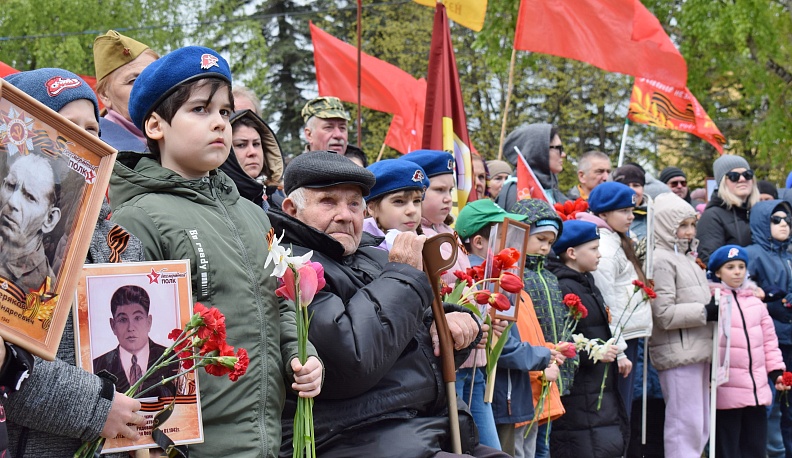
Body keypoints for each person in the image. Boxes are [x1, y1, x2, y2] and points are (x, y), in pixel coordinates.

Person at [109, 46, 323, 457]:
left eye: (225, 112)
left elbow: (280, 304)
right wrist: (144, 445)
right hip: (190, 446)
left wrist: (305, 357)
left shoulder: (254, 214)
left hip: (265, 440)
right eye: (200, 110)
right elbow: (131, 342)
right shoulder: (138, 218)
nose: (219, 124)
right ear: (155, 124)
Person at [269, 151, 506, 457]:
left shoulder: (375, 256)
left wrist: (452, 324)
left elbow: (412, 337)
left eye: (354, 203)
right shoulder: (288, 265)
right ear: (291, 209)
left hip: (422, 426)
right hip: (353, 436)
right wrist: (405, 274)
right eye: (328, 201)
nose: (345, 214)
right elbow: (352, 360)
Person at [3, 67, 147, 458]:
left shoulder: (122, 242)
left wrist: (150, 432)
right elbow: (7, 367)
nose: (85, 140)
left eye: (93, 130)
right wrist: (95, 407)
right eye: (67, 129)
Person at [400, 149, 501, 448]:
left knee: (487, 446)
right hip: (447, 364)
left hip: (474, 361)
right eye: (439, 190)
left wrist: (482, 322)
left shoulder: (451, 234)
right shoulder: (417, 239)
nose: (448, 198)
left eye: (451, 191)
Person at [455, 198, 555, 457]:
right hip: (495, 389)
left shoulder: (497, 278)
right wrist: (544, 355)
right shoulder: (477, 281)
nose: (512, 246)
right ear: (478, 243)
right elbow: (504, 345)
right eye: (504, 236)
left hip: (499, 389)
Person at [547, 220, 628, 458]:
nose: (599, 254)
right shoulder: (564, 286)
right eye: (593, 249)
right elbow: (561, 340)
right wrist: (595, 354)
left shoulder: (585, 282)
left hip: (594, 388)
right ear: (571, 253)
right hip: (580, 392)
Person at [649, 193, 714, 458]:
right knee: (684, 425)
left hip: (697, 349)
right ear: (666, 226)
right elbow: (662, 313)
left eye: (691, 225)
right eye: (682, 226)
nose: (688, 232)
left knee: (699, 425)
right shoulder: (661, 259)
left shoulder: (686, 258)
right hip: (678, 353)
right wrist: (705, 311)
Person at [708, 245, 788, 458]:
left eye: (741, 266)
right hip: (727, 392)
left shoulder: (755, 302)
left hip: (756, 391)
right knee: (728, 448)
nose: (737, 272)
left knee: (755, 448)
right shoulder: (713, 301)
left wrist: (776, 372)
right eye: (730, 267)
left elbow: (769, 342)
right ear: (717, 272)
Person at [578, 182, 650, 418]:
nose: (630, 217)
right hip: (620, 340)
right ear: (603, 213)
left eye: (632, 211)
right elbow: (606, 302)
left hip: (627, 336)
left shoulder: (615, 239)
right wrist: (618, 351)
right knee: (619, 414)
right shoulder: (605, 248)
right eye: (623, 211)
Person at [509, 198, 572, 457]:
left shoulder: (550, 276)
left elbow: (557, 317)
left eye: (550, 242)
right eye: (540, 239)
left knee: (541, 438)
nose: (545, 247)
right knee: (527, 441)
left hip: (551, 367)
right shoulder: (518, 276)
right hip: (531, 368)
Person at [744, 200, 792, 457]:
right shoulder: (751, 254)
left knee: (789, 405)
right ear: (764, 222)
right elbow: (743, 292)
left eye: (787, 219)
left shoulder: (790, 253)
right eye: (776, 219)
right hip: (766, 341)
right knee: (769, 403)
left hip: (789, 338)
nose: (784, 224)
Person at [93, 285, 177, 397]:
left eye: (137, 318)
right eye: (123, 319)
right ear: (113, 325)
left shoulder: (173, 359)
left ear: (149, 322)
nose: (130, 328)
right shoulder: (97, 366)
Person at [0, 154, 62, 293]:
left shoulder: (44, 290)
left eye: (30, 197)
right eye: (10, 186)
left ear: (50, 219)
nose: (12, 202)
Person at [93, 30, 158, 151]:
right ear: (104, 95)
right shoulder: (97, 149)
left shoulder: (182, 134)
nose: (148, 87)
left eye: (153, 77)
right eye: (133, 81)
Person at [697, 154, 759, 264]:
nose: (742, 179)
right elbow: (710, 260)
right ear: (722, 183)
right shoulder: (712, 216)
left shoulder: (759, 212)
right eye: (734, 176)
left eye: (747, 174)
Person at [223, 109, 284, 209]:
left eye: (256, 144)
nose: (253, 152)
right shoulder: (214, 206)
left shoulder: (281, 206)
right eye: (241, 145)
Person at [363, 159, 429, 250]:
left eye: (417, 201)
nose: (412, 210)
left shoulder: (426, 240)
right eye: (399, 201)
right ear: (372, 208)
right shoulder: (363, 250)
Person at [500, 123, 569, 209]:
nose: (563, 154)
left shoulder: (550, 188)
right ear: (538, 150)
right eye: (558, 149)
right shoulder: (516, 191)